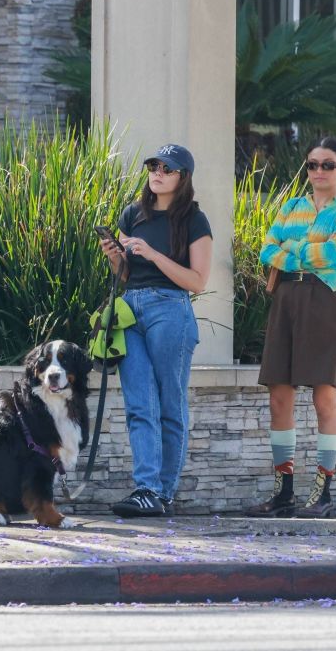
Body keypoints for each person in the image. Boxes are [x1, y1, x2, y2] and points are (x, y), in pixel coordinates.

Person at [247, 136, 336, 519]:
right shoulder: (292, 205)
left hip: (324, 301)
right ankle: (284, 494)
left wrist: (292, 247)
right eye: (312, 164)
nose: (318, 171)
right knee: (279, 396)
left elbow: (332, 255)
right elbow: (266, 250)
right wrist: (305, 248)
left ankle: (323, 492)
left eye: (327, 164)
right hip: (286, 301)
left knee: (323, 398)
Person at [99, 144, 212, 517]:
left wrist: (151, 253)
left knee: (169, 403)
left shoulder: (194, 220)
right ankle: (146, 488)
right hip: (130, 310)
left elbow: (197, 281)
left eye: (167, 167)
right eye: (153, 165)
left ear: (183, 177)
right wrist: (116, 257)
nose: (157, 171)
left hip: (170, 310)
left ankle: (163, 492)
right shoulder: (133, 214)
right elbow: (125, 275)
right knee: (139, 403)